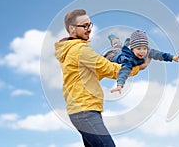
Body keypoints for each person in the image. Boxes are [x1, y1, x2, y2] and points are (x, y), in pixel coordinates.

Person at [54, 9, 143, 147]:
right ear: (72, 29)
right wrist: (138, 68)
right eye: (84, 26)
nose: (89, 29)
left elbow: (94, 73)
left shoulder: (72, 50)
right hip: (85, 111)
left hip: (83, 111)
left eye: (90, 25)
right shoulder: (80, 50)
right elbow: (110, 70)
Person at [103, 30, 179, 94]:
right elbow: (124, 71)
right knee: (117, 46)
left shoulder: (147, 52)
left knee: (118, 45)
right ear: (132, 48)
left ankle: (114, 38)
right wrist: (120, 85)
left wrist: (173, 58)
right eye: (139, 49)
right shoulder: (128, 59)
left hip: (120, 51)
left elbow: (159, 54)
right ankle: (113, 37)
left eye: (144, 48)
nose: (142, 52)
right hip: (111, 57)